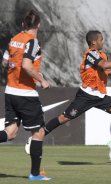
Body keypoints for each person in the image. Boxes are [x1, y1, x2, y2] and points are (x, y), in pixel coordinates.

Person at [25, 31, 111, 154]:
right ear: (94, 42)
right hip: (86, 96)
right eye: (101, 39)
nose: (103, 41)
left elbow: (101, 69)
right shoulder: (90, 53)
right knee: (63, 118)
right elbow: (103, 65)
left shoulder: (102, 55)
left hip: (99, 96)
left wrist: (108, 73)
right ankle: (35, 138)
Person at [0, 10, 51, 180]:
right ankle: (35, 174)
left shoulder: (14, 40)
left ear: (23, 24)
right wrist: (42, 80)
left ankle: (35, 173)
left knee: (11, 132)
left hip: (10, 92)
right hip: (25, 94)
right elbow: (28, 66)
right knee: (38, 133)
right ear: (39, 25)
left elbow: (5, 62)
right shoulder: (33, 42)